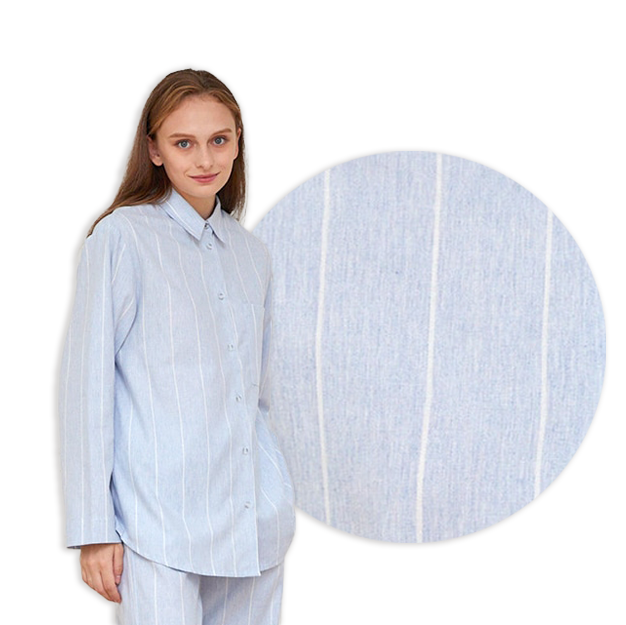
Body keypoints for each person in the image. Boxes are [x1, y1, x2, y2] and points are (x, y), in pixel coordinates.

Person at [57, 67, 297, 624]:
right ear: (154, 150)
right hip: (156, 522)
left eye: (219, 140)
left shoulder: (251, 254)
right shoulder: (121, 238)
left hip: (253, 521)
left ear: (238, 143)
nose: (205, 159)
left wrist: (276, 492)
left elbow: (259, 393)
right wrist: (93, 529)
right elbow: (86, 388)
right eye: (183, 143)